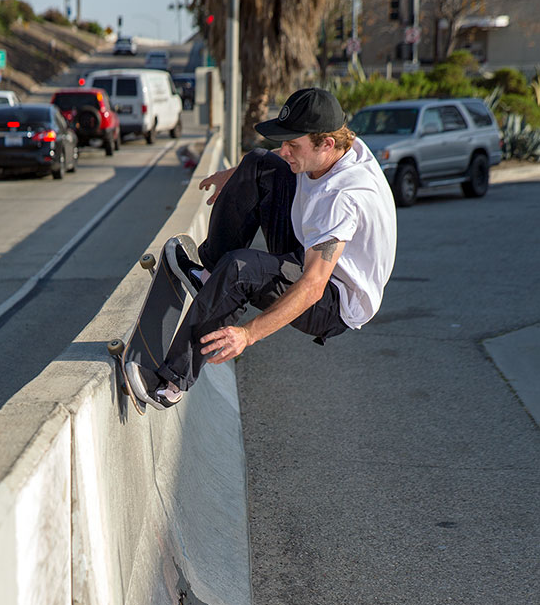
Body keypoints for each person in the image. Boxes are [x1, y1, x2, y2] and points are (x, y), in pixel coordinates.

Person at [125, 87, 397, 409]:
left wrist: (247, 335)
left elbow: (312, 287)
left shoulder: (341, 200)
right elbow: (277, 164)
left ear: (326, 144)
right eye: (284, 142)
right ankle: (208, 275)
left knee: (241, 270)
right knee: (257, 162)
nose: (284, 151)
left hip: (332, 301)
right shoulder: (340, 146)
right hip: (307, 250)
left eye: (293, 145)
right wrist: (240, 176)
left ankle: (172, 383)